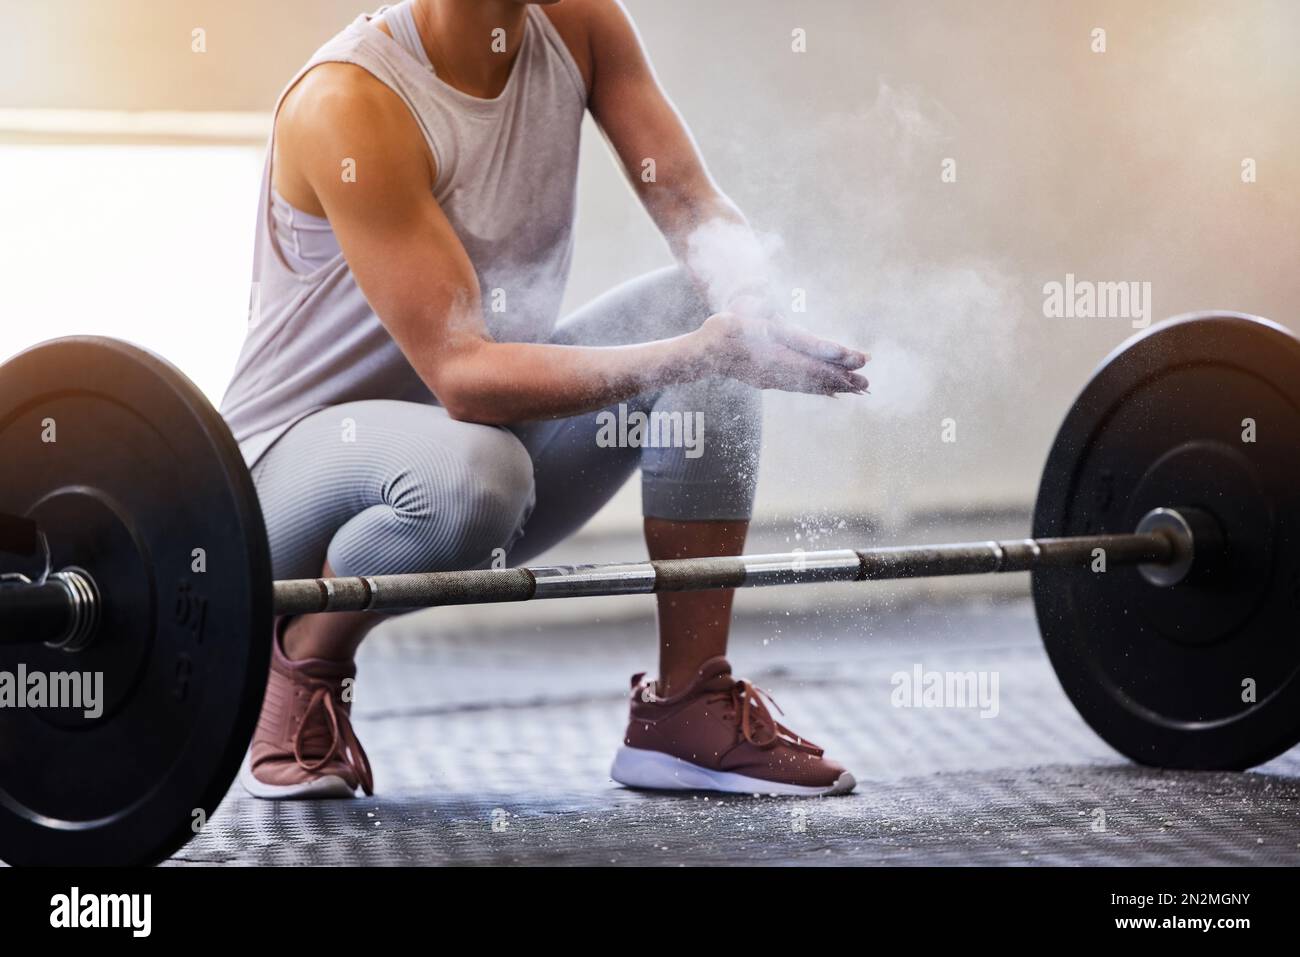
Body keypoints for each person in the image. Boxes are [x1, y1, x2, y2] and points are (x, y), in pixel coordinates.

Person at [221, 0, 869, 801]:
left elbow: (695, 211)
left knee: (702, 311)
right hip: (280, 489)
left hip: (479, 454)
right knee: (478, 466)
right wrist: (697, 348)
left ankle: (685, 707)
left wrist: (757, 318)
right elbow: (463, 373)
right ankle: (306, 655)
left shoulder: (582, 25)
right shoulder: (349, 101)